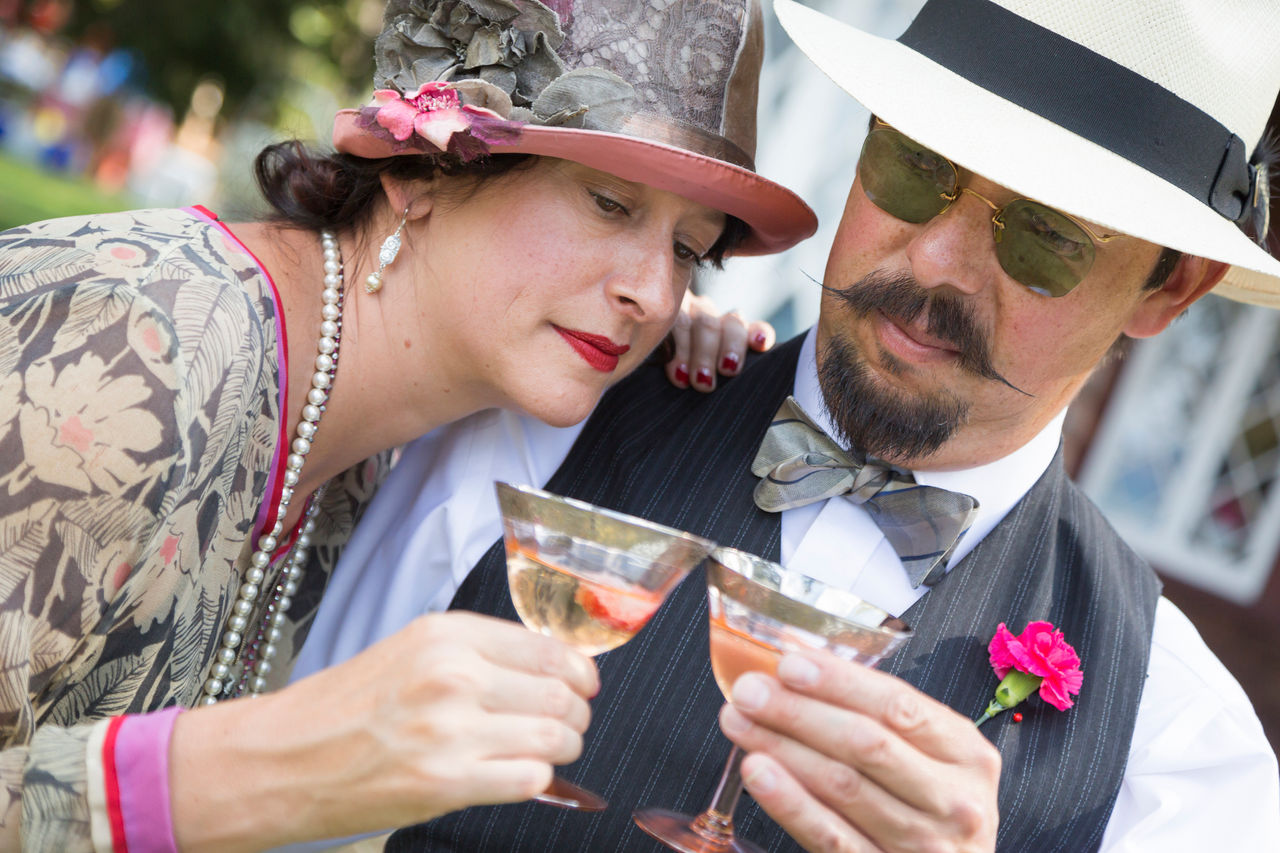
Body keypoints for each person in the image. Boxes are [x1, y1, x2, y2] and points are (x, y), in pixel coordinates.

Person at [294, 0, 1280, 849]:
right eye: (912, 169)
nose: (933, 261)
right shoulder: (544, 427)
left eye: (1043, 237)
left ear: (1170, 289)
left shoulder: (1177, 746)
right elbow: (277, 780)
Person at [0, 0, 818, 849]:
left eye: (688, 248)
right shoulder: (130, 352)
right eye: (609, 204)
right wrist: (265, 769)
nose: (653, 293)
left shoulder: (389, 424)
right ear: (419, 170)